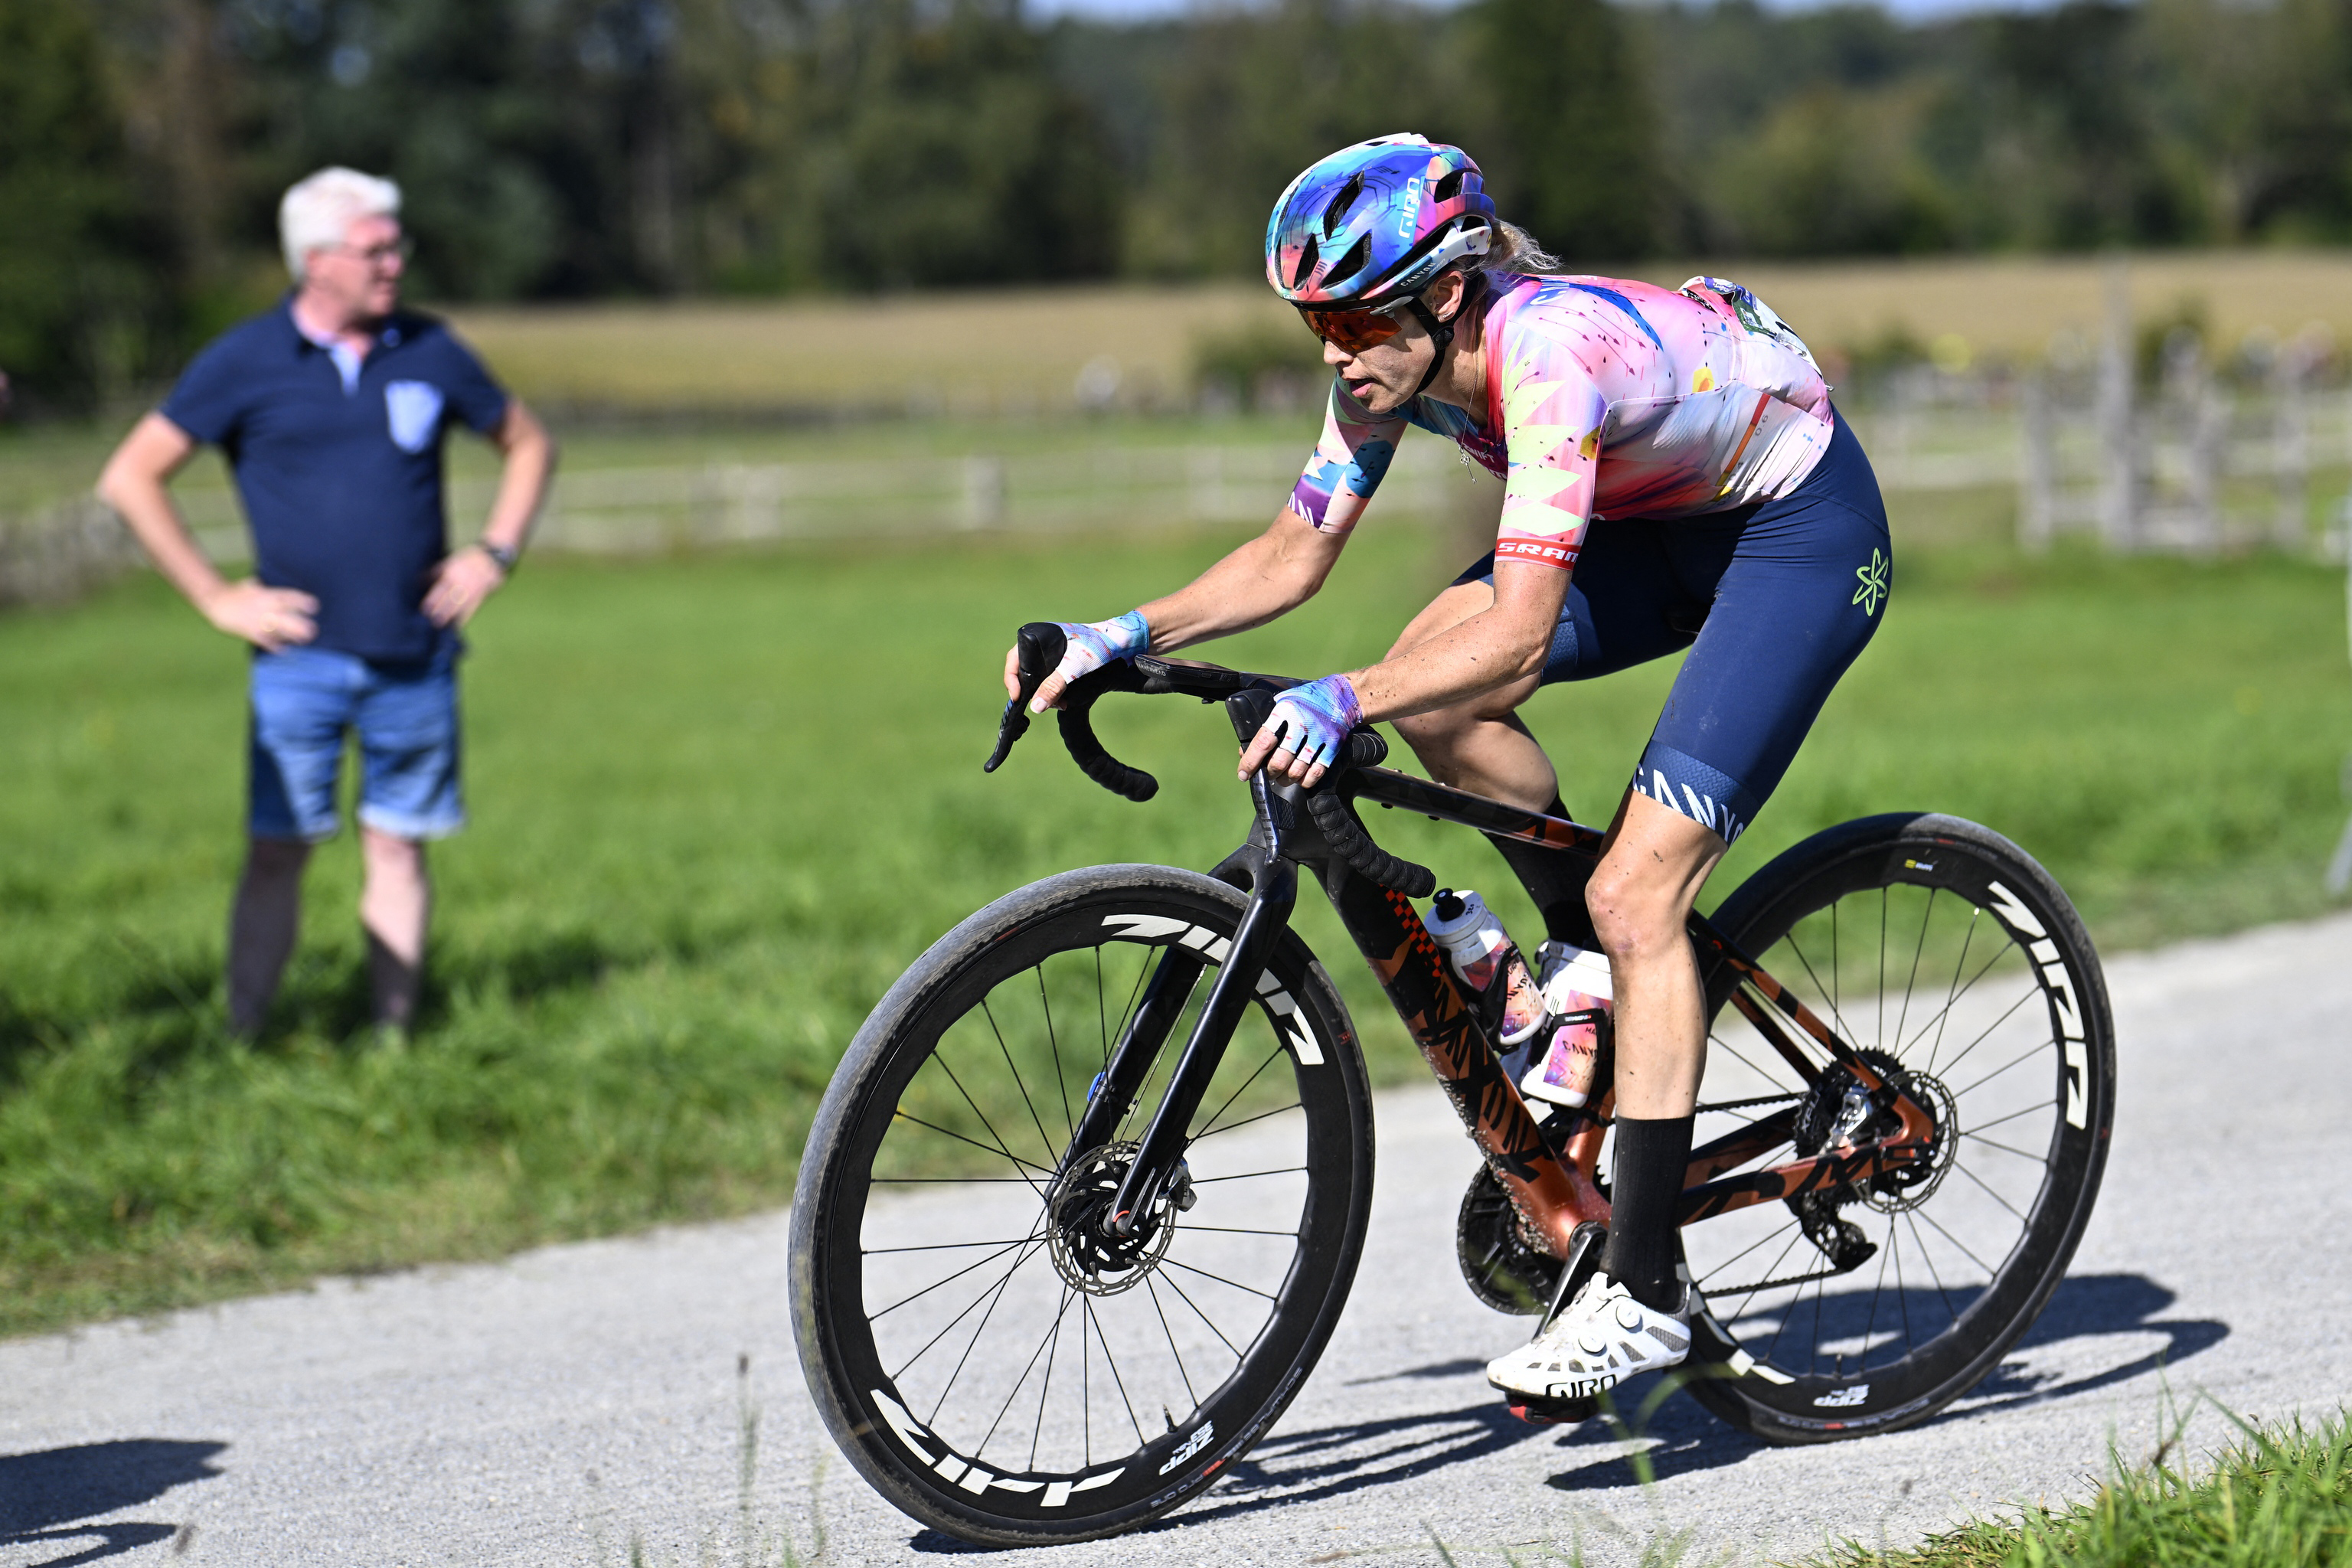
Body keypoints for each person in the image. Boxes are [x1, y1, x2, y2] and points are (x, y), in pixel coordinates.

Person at [1005, 134, 1891, 1406]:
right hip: (1661, 523)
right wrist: (1117, 634)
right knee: (1429, 665)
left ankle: (1643, 1291)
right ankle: (1577, 961)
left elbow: (1522, 634)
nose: (1330, 348)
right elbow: (1289, 555)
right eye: (1312, 318)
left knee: (1640, 886)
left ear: (1447, 291)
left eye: (1352, 315)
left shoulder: (1543, 357)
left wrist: (1339, 692)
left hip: (1795, 532)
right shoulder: (1383, 369)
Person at [96, 166, 555, 1040]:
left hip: (414, 653)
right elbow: (131, 476)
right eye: (375, 248)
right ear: (315, 259)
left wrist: (494, 553)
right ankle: (245, 1035)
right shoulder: (244, 361)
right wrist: (214, 595)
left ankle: (393, 1037)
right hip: (297, 659)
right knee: (278, 851)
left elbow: (529, 444)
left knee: (397, 843)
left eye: (397, 245)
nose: (395, 263)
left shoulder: (432, 350)